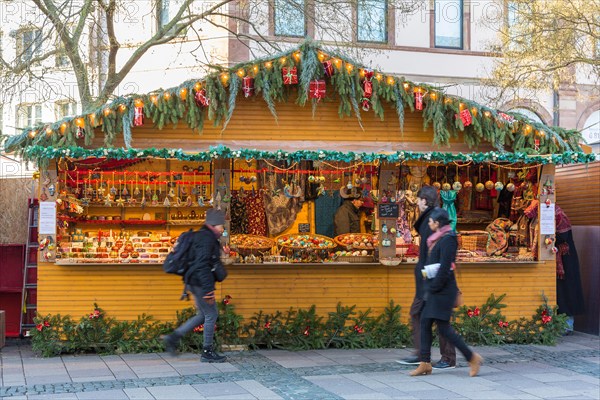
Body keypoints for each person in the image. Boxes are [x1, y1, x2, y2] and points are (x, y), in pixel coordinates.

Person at [410, 208, 483, 377]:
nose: (428, 223)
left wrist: (434, 286)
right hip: (434, 287)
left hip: (443, 289)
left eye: (431, 221)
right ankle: (425, 363)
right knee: (425, 323)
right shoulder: (436, 239)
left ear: (437, 223)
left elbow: (445, 267)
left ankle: (472, 357)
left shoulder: (449, 239)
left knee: (444, 328)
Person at [398, 185, 457, 369]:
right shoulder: (430, 218)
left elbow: (438, 250)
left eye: (418, 199)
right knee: (425, 316)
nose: (416, 202)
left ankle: (442, 357)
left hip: (432, 278)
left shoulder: (433, 218)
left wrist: (431, 277)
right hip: (429, 277)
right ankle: (426, 355)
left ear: (424, 200)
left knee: (432, 317)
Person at [163, 208, 228, 362]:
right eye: (220, 226)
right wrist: (208, 291)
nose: (222, 229)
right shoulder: (206, 239)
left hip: (194, 281)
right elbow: (202, 265)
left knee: (202, 315)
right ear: (213, 225)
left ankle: (173, 337)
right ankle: (207, 351)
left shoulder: (203, 236)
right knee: (211, 314)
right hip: (200, 283)